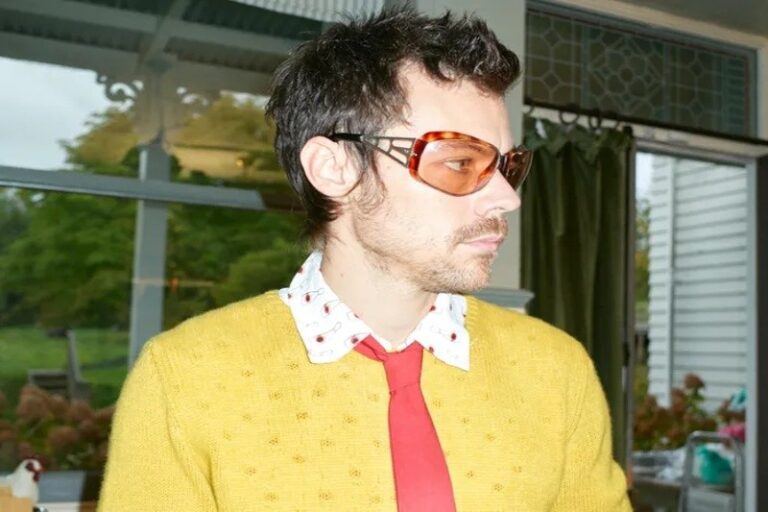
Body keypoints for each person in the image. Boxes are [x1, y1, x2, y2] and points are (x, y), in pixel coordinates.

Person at [98, 6, 631, 511]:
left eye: (506, 167)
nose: (507, 198)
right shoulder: (185, 375)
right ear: (335, 170)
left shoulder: (556, 370)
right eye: (459, 161)